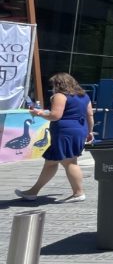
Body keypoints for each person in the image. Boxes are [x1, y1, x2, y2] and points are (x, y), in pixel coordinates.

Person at [15, 73, 94, 203]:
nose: (52, 88)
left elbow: (55, 116)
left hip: (64, 132)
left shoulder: (60, 96)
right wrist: (90, 131)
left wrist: (39, 113)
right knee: (52, 162)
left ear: (59, 84)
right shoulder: (84, 96)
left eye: (53, 85)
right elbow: (90, 115)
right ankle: (33, 192)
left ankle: (78, 193)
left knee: (69, 162)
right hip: (79, 129)